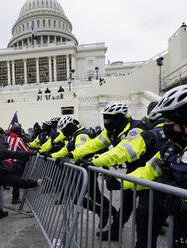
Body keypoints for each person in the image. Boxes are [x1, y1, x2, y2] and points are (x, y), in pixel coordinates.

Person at [110, 85, 187, 248]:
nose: (165, 126)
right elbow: (147, 171)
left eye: (169, 121)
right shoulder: (172, 147)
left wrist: (184, 204)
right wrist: (119, 181)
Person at [68, 103, 144, 238]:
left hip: (148, 167)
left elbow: (121, 152)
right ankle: (115, 231)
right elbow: (93, 144)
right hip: (134, 167)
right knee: (127, 202)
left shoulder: (135, 129)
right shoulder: (112, 131)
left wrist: (94, 161)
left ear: (120, 118)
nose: (107, 122)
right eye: (105, 118)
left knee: (147, 208)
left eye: (110, 118)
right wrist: (73, 155)